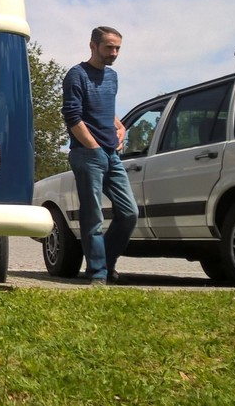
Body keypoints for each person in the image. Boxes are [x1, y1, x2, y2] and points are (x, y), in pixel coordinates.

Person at [62, 26, 139, 285]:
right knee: (93, 215)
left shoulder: (112, 77)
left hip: (111, 154)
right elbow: (73, 116)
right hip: (87, 154)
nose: (114, 53)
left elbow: (105, 109)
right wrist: (94, 147)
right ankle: (98, 274)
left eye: (118, 48)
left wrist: (121, 126)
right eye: (109, 47)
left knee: (129, 212)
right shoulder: (76, 75)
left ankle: (106, 262)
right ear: (93, 46)